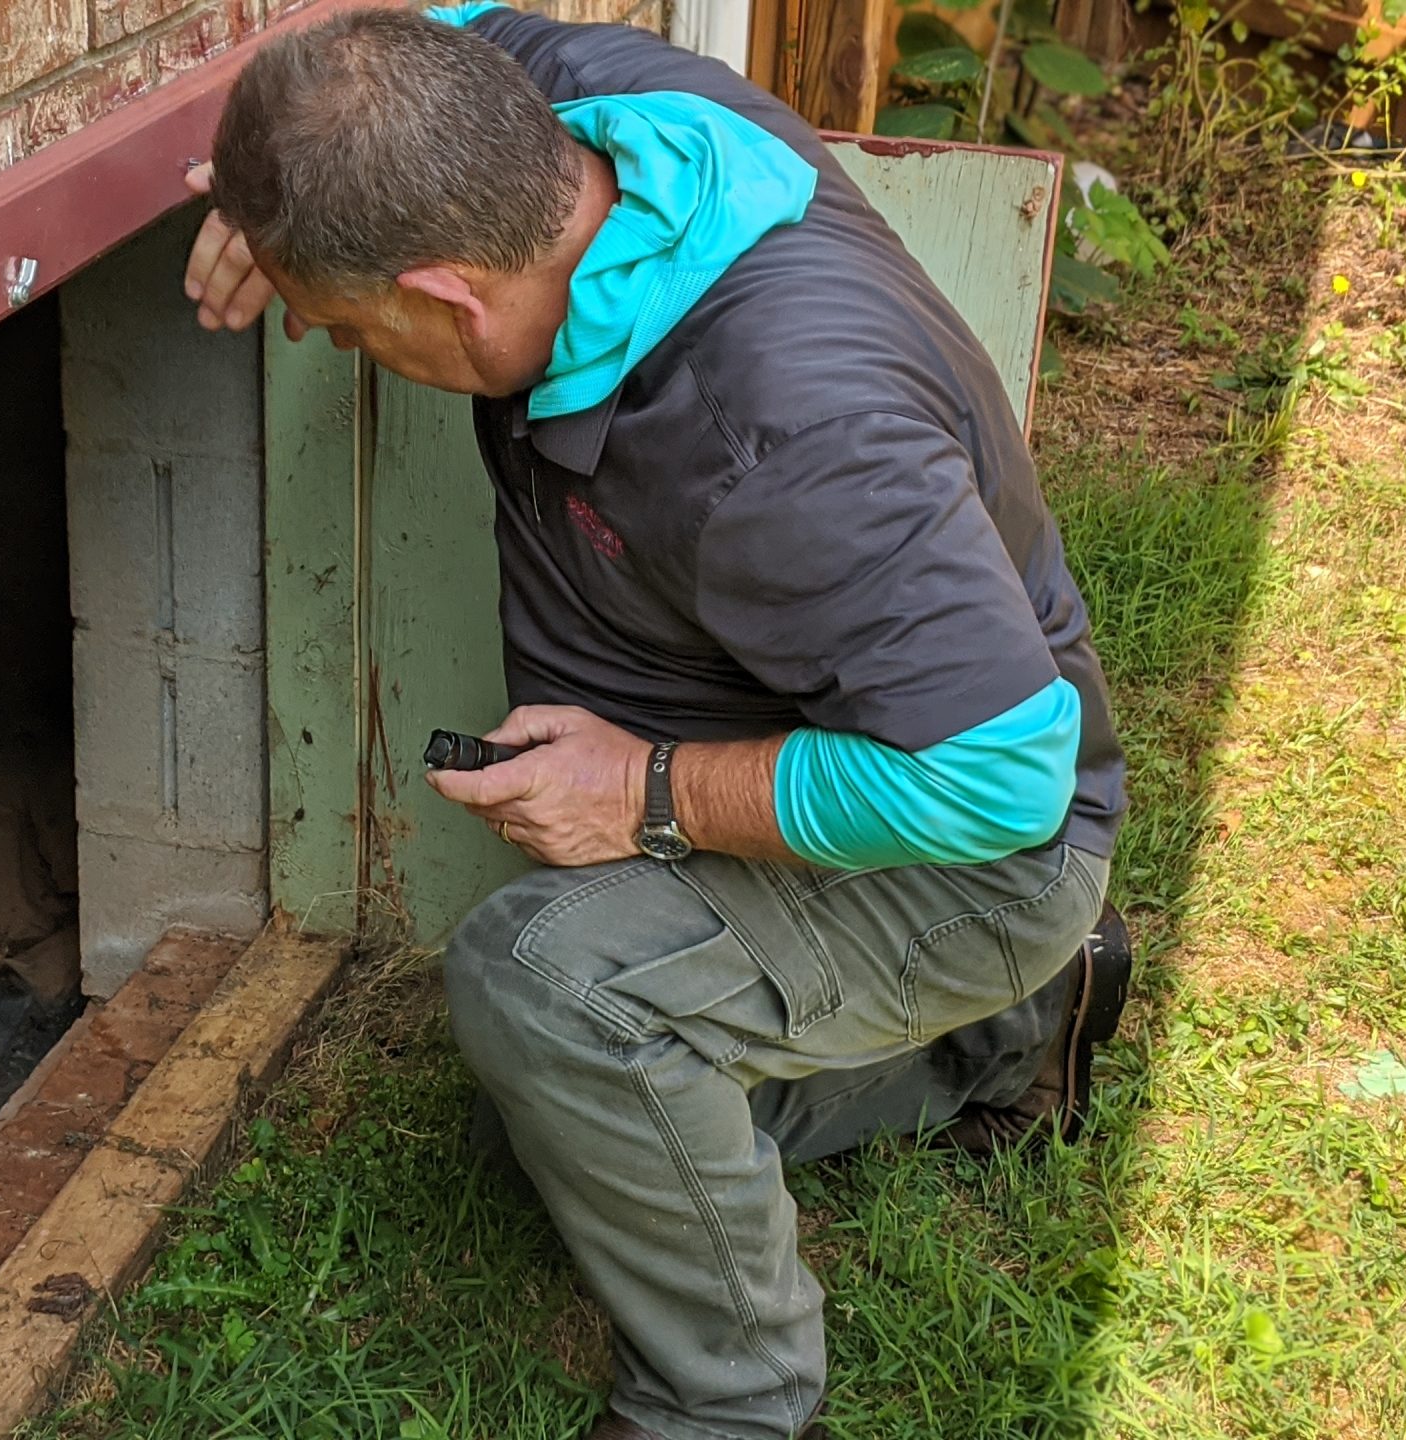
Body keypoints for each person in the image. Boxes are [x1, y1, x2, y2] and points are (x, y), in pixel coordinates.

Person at [180, 8, 1131, 1438]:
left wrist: (653, 796)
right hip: (849, 736)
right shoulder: (575, 114)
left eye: (342, 318)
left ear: (445, 294)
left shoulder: (785, 434)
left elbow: (1000, 777)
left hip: (981, 847)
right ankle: (999, 1041)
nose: (317, 330)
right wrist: (289, 202)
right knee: (553, 1125)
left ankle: (734, 1402)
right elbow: (409, 40)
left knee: (555, 994)